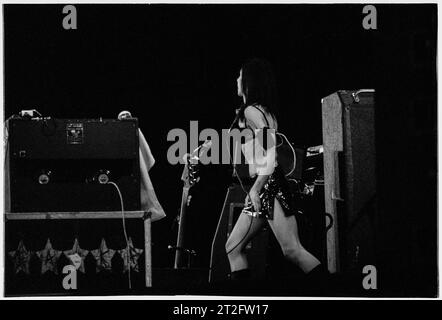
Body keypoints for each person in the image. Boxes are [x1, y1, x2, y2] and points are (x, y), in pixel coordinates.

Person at [225, 58, 327, 285]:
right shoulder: (262, 111)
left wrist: (256, 189)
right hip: (268, 184)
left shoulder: (251, 112)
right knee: (233, 246)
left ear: (249, 81)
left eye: (241, 75)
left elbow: (270, 156)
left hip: (268, 185)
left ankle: (331, 291)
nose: (237, 79)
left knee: (292, 250)